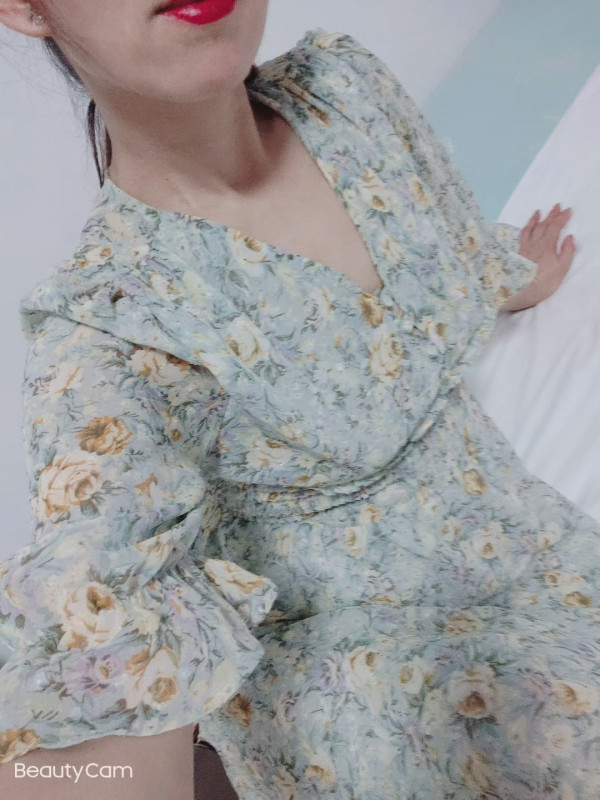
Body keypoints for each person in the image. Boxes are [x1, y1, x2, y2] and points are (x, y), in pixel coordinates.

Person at [0, 1, 594, 798]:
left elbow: (438, 253)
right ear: (23, 6)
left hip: (536, 547)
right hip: (370, 674)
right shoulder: (104, 326)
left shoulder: (344, 87)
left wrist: (504, 276)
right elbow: (100, 603)